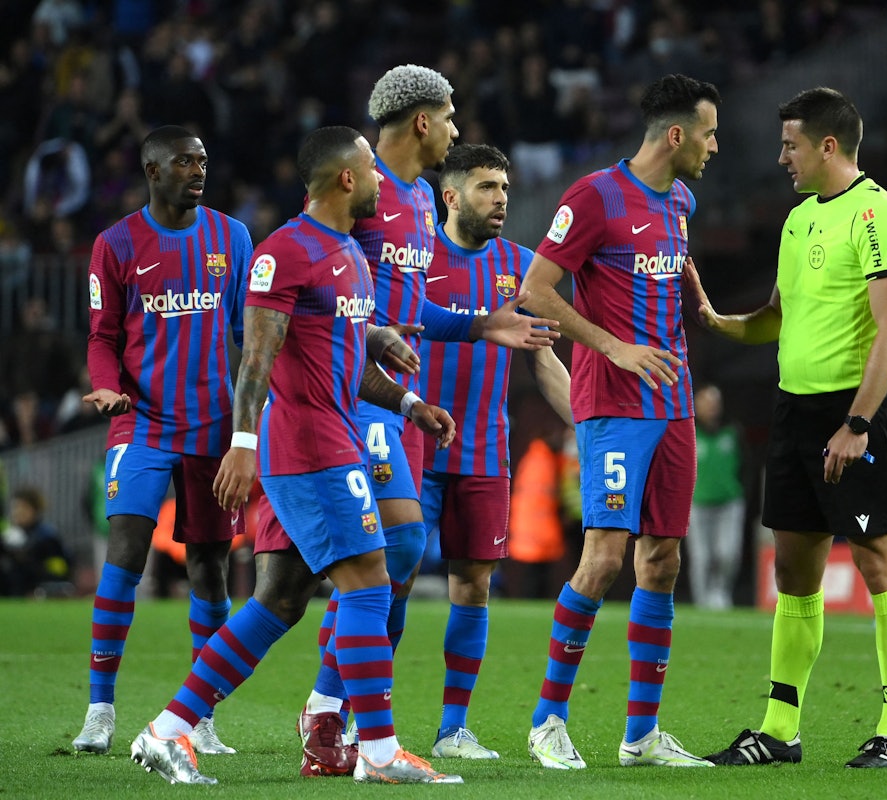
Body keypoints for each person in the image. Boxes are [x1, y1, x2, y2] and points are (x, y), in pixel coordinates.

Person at [128, 126, 462, 785]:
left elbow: (341, 358)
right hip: (308, 446)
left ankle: (166, 731)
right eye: (370, 172)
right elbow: (256, 357)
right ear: (345, 179)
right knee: (370, 577)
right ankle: (377, 750)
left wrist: (405, 405)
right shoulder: (285, 252)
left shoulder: (350, 256)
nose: (379, 185)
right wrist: (243, 445)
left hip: (326, 436)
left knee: (279, 599)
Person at [294, 64, 559, 777]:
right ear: (422, 121)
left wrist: (479, 326)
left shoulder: (409, 197)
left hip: (407, 408)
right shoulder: (359, 183)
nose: (456, 129)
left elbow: (412, 317)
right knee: (384, 559)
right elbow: (317, 278)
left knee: (389, 563)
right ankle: (328, 713)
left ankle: (338, 719)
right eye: (449, 118)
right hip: (352, 397)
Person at [694, 87, 887, 768]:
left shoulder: (879, 214)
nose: (780, 157)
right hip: (792, 411)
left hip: (853, 412)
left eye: (789, 144)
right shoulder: (797, 221)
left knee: (879, 562)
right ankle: (779, 728)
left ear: (827, 146)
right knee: (793, 569)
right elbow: (776, 316)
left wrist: (857, 422)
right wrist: (718, 322)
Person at [519, 73, 722, 770]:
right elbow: (535, 289)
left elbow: (668, 263)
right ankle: (547, 721)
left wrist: (699, 297)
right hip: (612, 401)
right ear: (675, 135)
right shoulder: (593, 197)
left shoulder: (681, 199)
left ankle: (640, 737)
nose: (714, 145)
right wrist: (610, 345)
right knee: (603, 559)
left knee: (661, 562)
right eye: (708, 132)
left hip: (673, 403)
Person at [74, 126, 252, 757]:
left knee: (210, 566)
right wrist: (104, 387)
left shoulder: (232, 237)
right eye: (184, 161)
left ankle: (201, 716)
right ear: (153, 171)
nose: (198, 170)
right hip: (141, 420)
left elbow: (246, 334)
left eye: (203, 160)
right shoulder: (115, 243)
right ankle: (100, 709)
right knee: (126, 551)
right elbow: (102, 336)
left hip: (212, 428)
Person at [417, 143, 572, 759]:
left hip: (484, 451)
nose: (501, 198)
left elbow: (546, 362)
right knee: (387, 579)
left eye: (504, 187)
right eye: (486, 187)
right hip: (412, 448)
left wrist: (587, 428)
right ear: (450, 197)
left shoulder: (521, 267)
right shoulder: (414, 258)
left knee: (474, 585)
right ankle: (341, 714)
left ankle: (454, 729)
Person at [686, 384, 745, 609]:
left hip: (729, 502)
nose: (711, 407)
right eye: (706, 402)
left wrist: (739, 489)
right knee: (701, 557)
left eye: (714, 402)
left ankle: (721, 594)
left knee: (728, 553)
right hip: (698, 503)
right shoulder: (690, 432)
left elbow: (746, 465)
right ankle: (702, 602)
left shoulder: (732, 430)